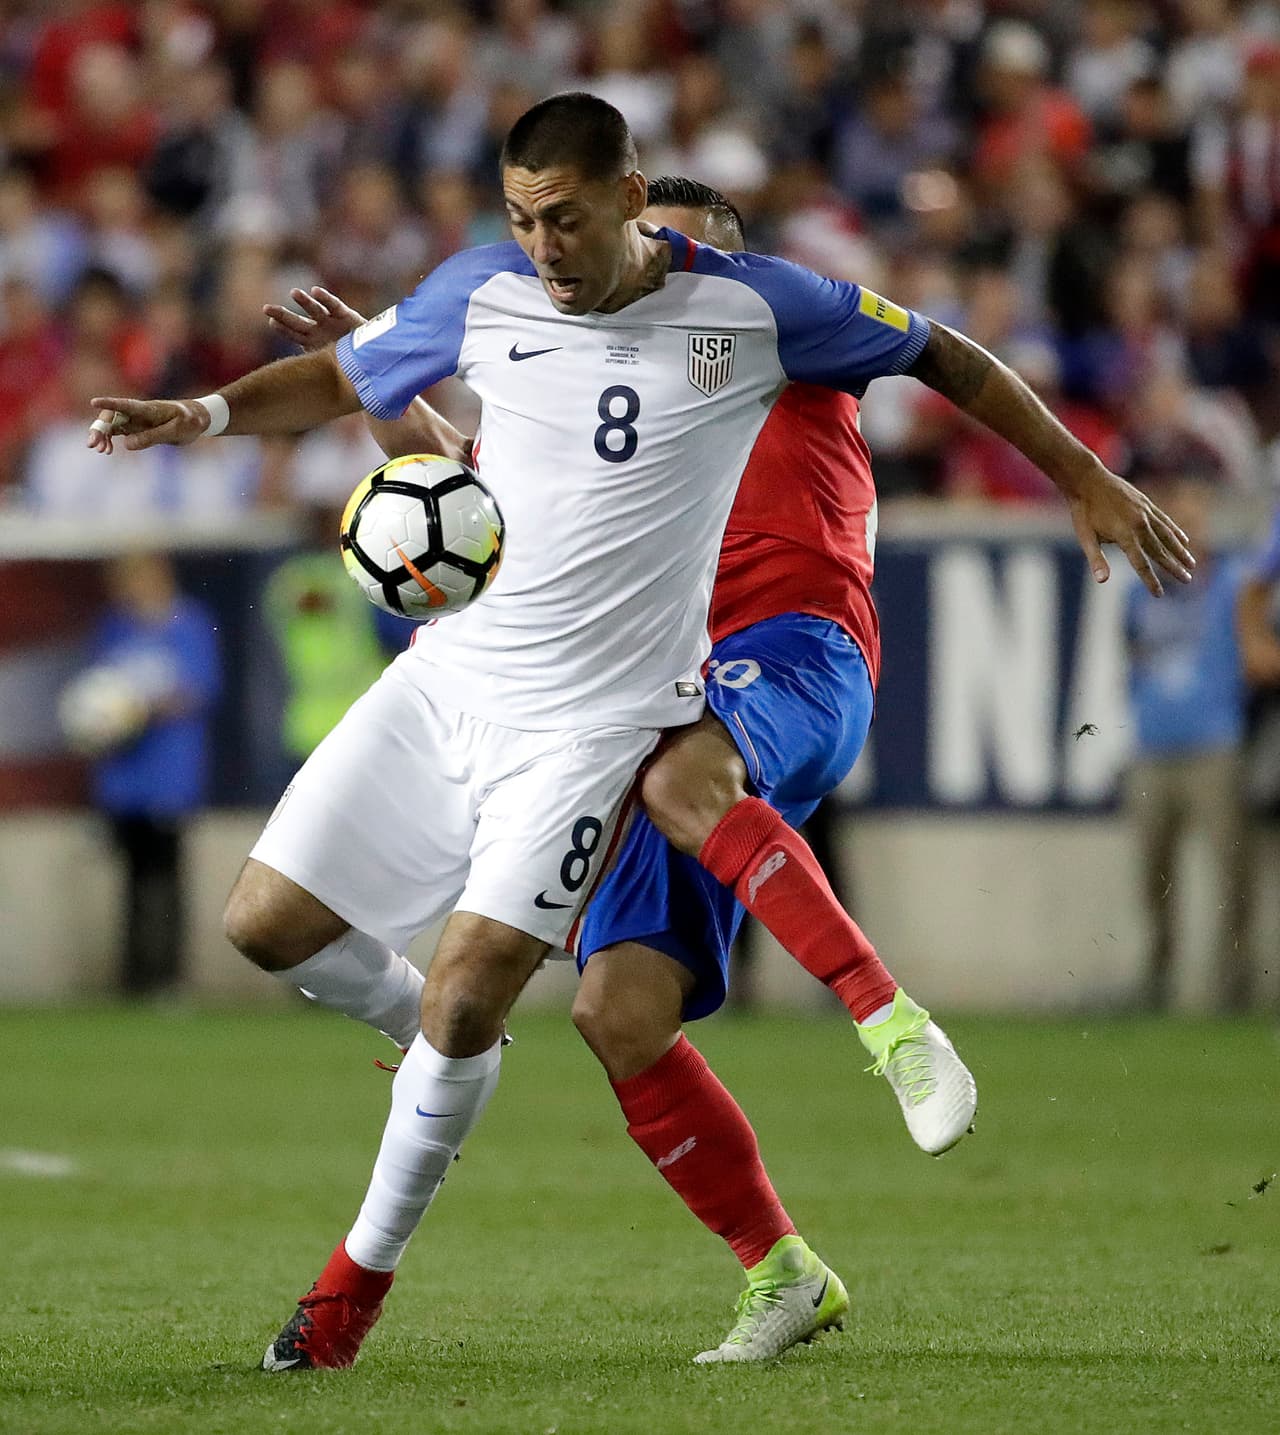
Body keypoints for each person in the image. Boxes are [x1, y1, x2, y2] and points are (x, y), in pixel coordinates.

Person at [87, 94, 1193, 1367]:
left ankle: (346, 1297)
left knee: (503, 959)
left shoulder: (760, 314)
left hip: (620, 718)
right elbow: (360, 386)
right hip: (454, 678)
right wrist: (204, 415)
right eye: (521, 220)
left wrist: (1086, 477)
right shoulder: (484, 292)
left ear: (627, 199)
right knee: (286, 931)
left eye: (564, 218)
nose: (542, 246)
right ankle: (519, 1095)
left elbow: (945, 351)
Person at [260, 177, 977, 1364]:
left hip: (792, 651)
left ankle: (891, 1025)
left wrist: (1081, 476)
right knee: (618, 1012)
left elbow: (940, 356)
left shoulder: (775, 348)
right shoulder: (591, 384)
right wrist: (372, 378)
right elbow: (465, 487)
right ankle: (782, 1274)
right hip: (655, 699)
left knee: (679, 787)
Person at [60, 553, 220, 996]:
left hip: (169, 774)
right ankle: (134, 978)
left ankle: (168, 978)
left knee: (166, 878)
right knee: (131, 878)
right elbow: (95, 693)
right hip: (123, 778)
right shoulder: (114, 628)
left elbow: (199, 689)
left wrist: (137, 709)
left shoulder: (188, 624)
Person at [1123, 461, 1250, 1009]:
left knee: (1230, 875)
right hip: (1154, 747)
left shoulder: (1234, 585)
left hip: (1214, 745)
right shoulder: (1140, 592)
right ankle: (1157, 979)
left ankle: (1231, 986)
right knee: (1153, 875)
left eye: (1195, 520)